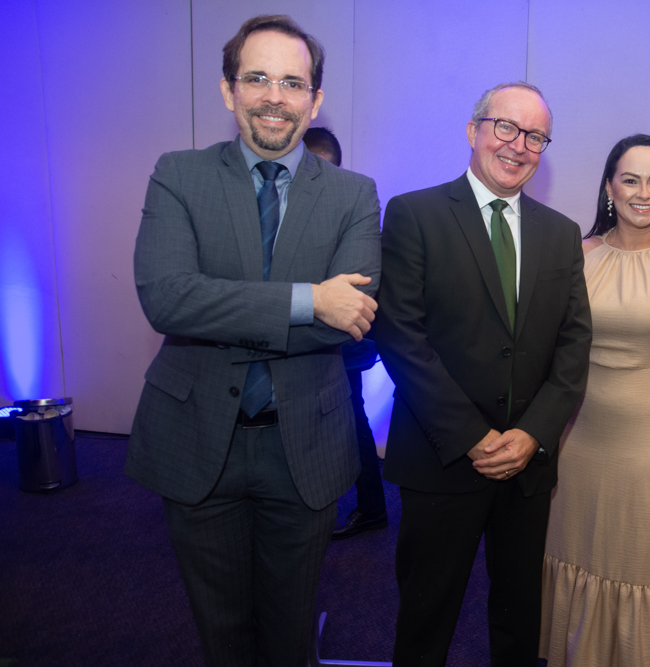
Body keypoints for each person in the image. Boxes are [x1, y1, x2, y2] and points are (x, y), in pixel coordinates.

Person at [128, 15, 381, 666]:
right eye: (258, 78)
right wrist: (308, 299)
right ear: (228, 90)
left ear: (314, 99)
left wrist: (219, 308)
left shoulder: (355, 195)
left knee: (290, 633)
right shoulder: (178, 176)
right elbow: (166, 298)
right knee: (223, 635)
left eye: (292, 82)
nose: (275, 95)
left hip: (304, 445)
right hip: (195, 437)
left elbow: (347, 318)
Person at [372, 82, 592, 666]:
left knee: (520, 622)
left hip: (527, 464)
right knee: (425, 617)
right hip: (441, 457)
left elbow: (574, 346)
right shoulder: (414, 214)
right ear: (474, 131)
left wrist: (533, 433)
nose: (519, 146)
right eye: (506, 128)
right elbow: (400, 335)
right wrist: (473, 437)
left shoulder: (561, 233)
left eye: (536, 136)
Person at [539, 135, 650, 666]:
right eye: (631, 179)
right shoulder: (579, 257)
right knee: (572, 549)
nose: (643, 193)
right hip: (579, 436)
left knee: (636, 562)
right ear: (609, 187)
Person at [303, 126, 388, 539]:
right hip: (323, 345)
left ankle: (371, 506)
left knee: (351, 424)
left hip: (341, 346)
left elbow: (355, 288)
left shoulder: (349, 208)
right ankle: (368, 505)